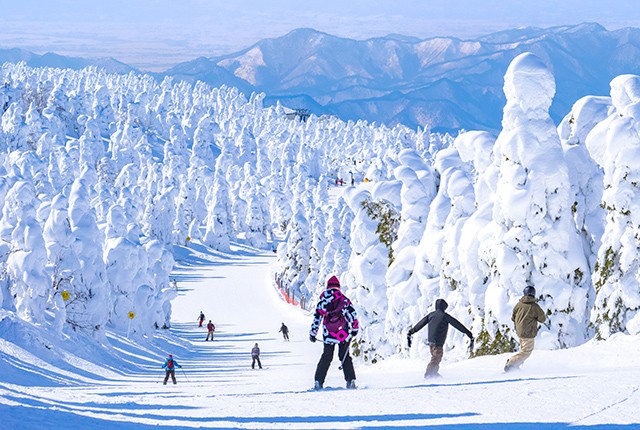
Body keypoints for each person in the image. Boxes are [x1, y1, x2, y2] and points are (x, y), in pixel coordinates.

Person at [309, 275, 359, 390]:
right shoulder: (344, 299)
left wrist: (313, 333)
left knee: (326, 357)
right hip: (343, 333)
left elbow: (317, 318)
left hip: (328, 334)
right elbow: (352, 314)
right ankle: (351, 380)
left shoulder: (323, 300)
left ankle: (318, 381)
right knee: (345, 356)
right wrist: (354, 328)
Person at [407, 299, 474, 378]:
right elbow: (457, 325)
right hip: (438, 341)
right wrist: (468, 333)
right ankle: (429, 374)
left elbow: (420, 324)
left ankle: (433, 373)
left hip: (431, 342)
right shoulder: (444, 316)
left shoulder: (431, 315)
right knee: (436, 358)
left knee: (435, 357)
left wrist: (411, 332)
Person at [504, 285, 546, 372]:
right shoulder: (534, 306)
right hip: (529, 332)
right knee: (526, 352)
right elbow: (542, 319)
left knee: (523, 350)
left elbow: (513, 317)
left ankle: (515, 366)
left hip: (519, 331)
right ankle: (511, 363)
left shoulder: (519, 305)